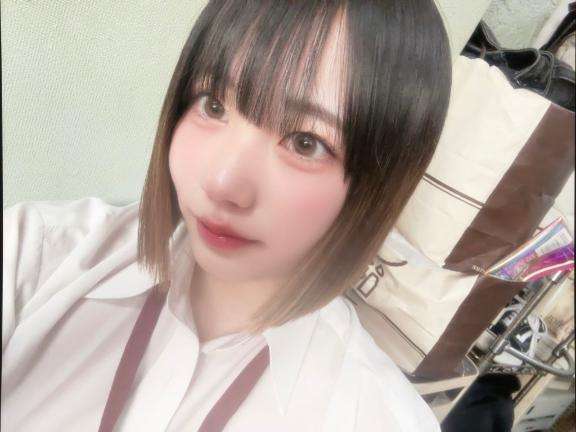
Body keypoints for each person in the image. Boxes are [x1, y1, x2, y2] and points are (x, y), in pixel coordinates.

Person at [2, 0, 452, 430]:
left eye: (305, 142)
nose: (222, 183)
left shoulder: (375, 417)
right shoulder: (38, 253)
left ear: (376, 187)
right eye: (213, 105)